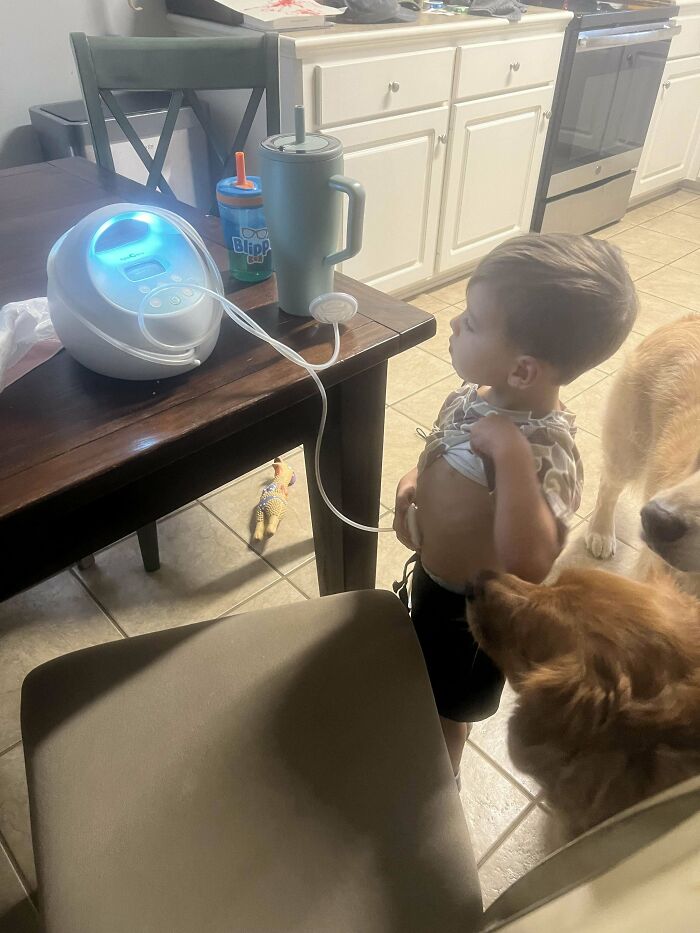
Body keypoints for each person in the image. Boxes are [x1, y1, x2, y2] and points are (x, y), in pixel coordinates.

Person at [393, 234, 638, 778]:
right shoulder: (470, 394)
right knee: (419, 675)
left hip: (475, 616)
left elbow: (530, 564)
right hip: (432, 581)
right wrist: (413, 483)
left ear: (523, 371)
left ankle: (441, 781)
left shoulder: (547, 452)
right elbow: (439, 448)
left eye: (473, 323)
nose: (455, 324)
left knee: (448, 710)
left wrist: (511, 459)